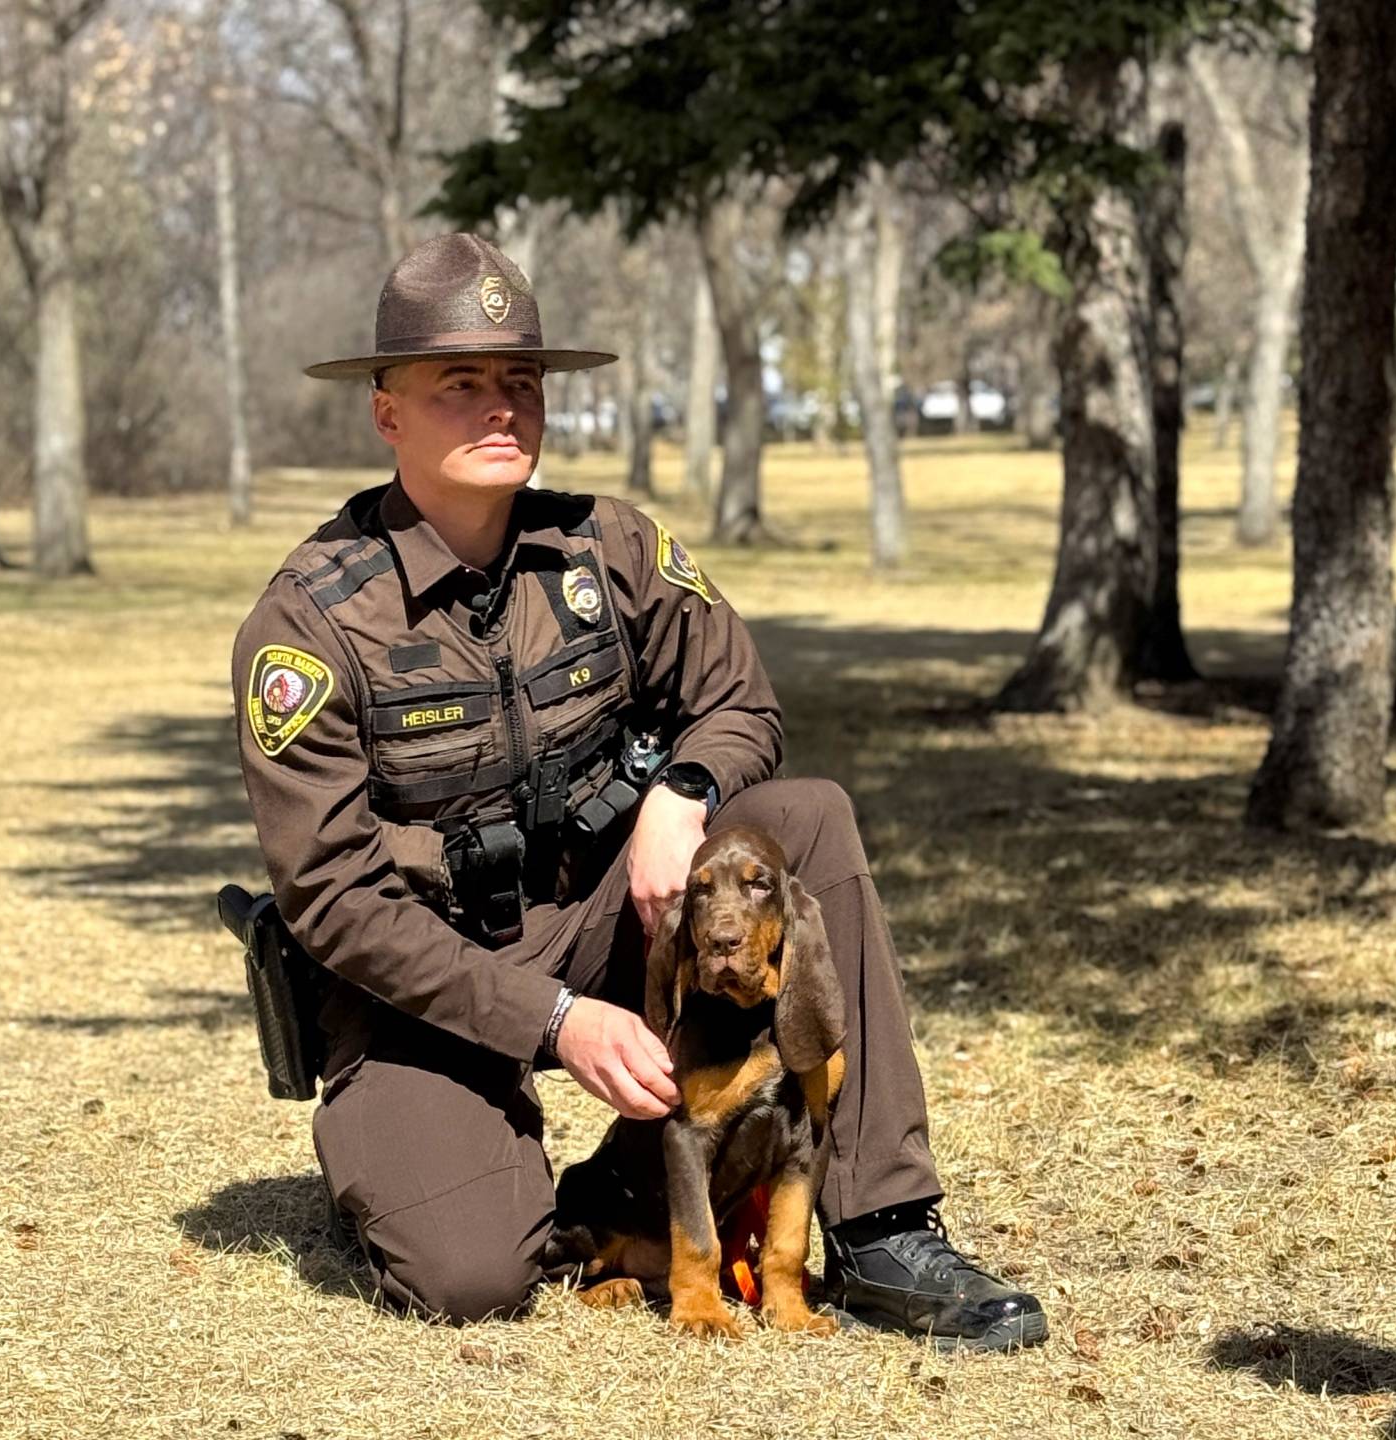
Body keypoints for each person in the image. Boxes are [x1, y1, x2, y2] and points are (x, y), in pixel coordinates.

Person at [231, 233, 1046, 1349]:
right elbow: (334, 900)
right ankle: (412, 1155)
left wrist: (684, 794)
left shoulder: (606, 547)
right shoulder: (313, 620)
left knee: (806, 820)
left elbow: (742, 703)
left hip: (609, 919)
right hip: (420, 979)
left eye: (521, 381)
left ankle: (883, 1226)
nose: (502, 407)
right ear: (387, 413)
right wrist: (554, 1024)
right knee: (471, 1274)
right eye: (459, 383)